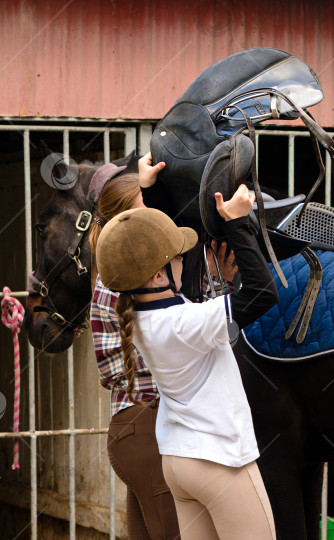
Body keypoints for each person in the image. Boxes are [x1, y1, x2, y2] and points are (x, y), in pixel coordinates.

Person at [95, 184, 279, 540]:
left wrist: (150, 188)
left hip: (179, 463)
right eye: (177, 257)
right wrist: (237, 223)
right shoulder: (183, 324)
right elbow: (263, 293)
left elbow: (211, 315)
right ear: (158, 276)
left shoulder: (147, 320)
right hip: (219, 461)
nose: (184, 259)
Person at [89, 153, 236, 540]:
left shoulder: (129, 277)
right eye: (146, 211)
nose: (158, 221)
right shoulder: (123, 280)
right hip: (145, 427)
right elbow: (182, 349)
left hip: (138, 430)